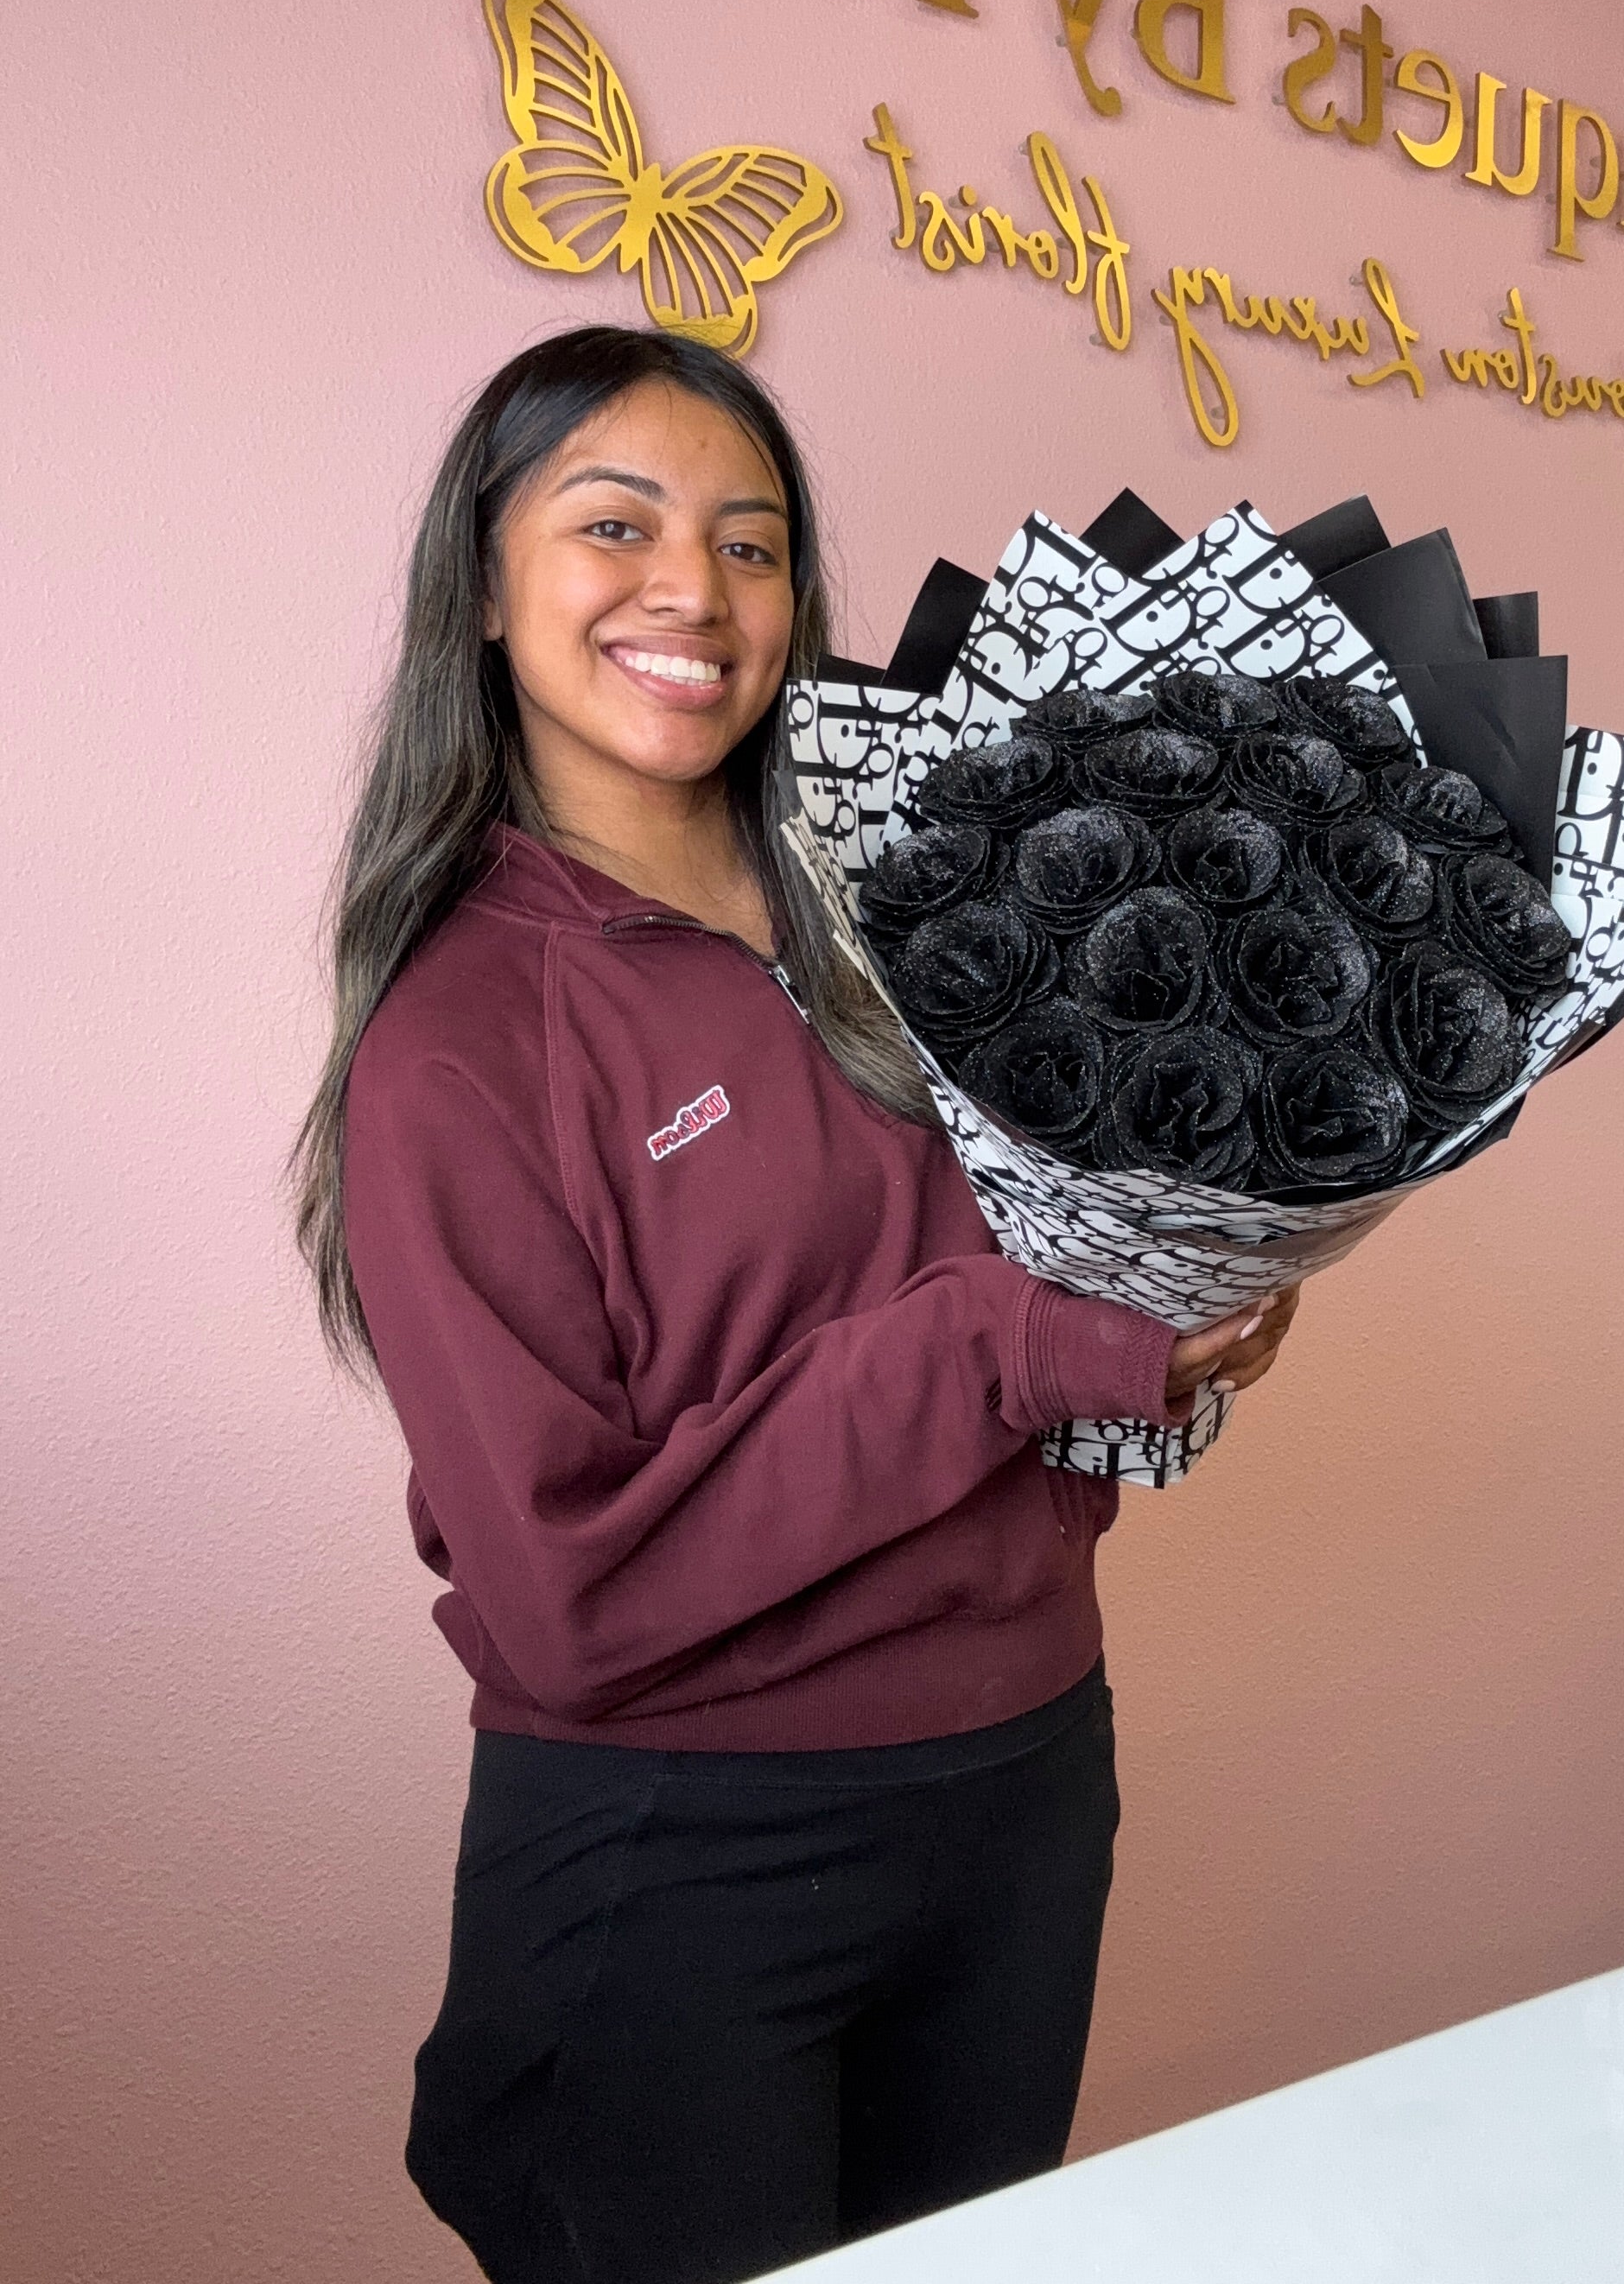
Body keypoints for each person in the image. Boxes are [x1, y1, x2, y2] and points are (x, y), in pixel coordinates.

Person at [293, 324, 1299, 2284]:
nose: (694, 588)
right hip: (692, 1859)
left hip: (1024, 1784)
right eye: (615, 525)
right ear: (483, 587)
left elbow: (1047, 1281)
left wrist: (1183, 1296)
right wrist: (1019, 1344)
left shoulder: (921, 899)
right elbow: (569, 1597)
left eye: (750, 544)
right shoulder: (461, 1040)